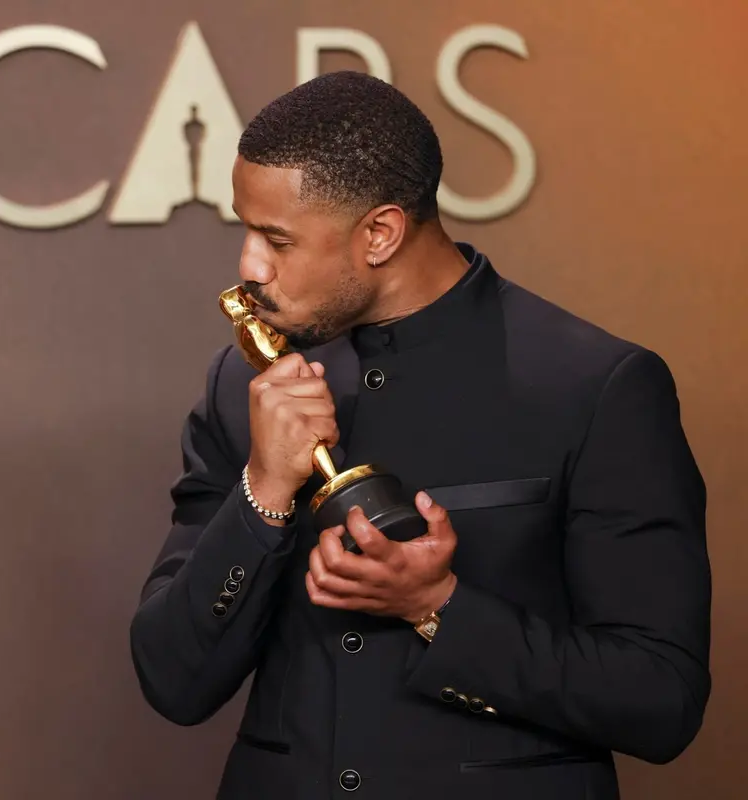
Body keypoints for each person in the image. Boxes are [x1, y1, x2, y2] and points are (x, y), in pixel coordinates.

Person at [128, 70, 711, 799]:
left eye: (276, 239)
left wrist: (437, 607)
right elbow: (173, 680)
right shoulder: (244, 386)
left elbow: (660, 698)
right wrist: (264, 492)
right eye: (245, 230)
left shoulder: (596, 388)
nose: (249, 266)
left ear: (380, 233)